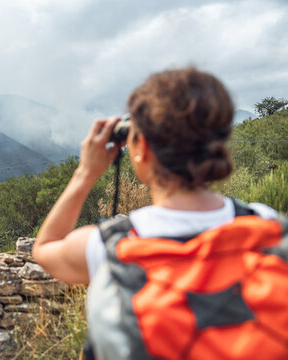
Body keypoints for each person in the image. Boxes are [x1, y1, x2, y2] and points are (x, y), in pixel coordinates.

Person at [32, 67, 287, 359]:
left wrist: (86, 172)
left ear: (142, 147)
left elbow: (45, 248)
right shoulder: (268, 227)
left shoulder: (110, 248)